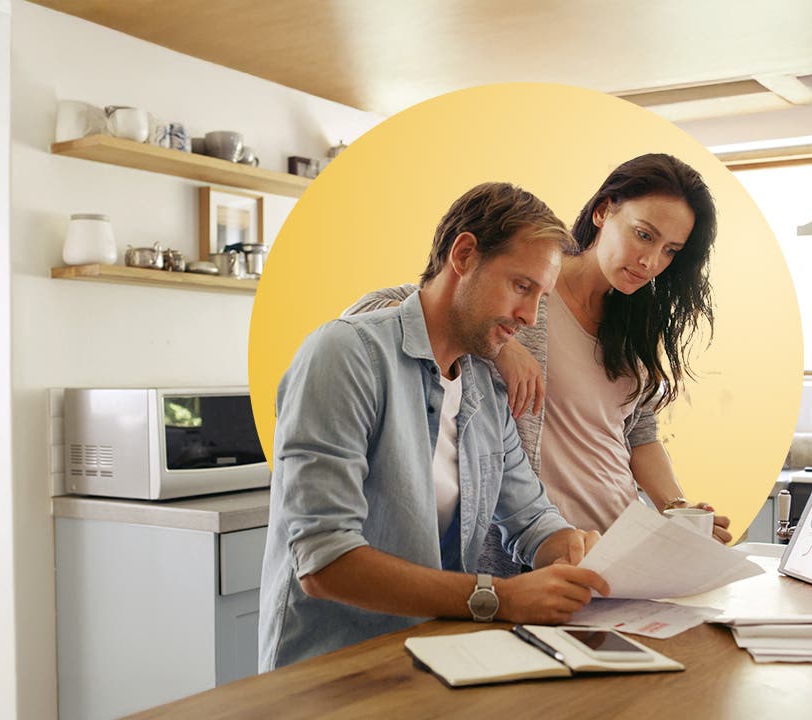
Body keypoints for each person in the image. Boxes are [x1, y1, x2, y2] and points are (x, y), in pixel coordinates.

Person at [259, 182, 610, 671]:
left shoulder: (484, 388)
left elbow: (530, 518)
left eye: (540, 296)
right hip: (329, 674)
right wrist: (500, 597)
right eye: (521, 286)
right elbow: (324, 560)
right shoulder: (345, 355)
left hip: (430, 661)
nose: (528, 317)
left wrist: (570, 549)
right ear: (464, 254)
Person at [348, 154, 732, 577]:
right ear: (604, 211)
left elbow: (638, 433)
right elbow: (384, 310)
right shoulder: (525, 285)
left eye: (670, 251)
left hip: (618, 549)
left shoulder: (635, 324)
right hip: (531, 554)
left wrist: (677, 511)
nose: (651, 262)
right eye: (644, 235)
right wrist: (502, 348)